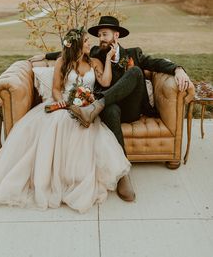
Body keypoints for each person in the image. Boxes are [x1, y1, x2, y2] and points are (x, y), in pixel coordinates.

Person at [0, 28, 131, 213]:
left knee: (83, 130)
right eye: (86, 41)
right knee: (59, 124)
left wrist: (108, 59)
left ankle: (75, 178)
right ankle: (53, 180)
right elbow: (55, 88)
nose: (89, 43)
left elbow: (106, 83)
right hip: (64, 106)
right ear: (77, 44)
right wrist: (61, 100)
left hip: (86, 110)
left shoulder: (94, 61)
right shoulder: (63, 62)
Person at [67, 16, 191, 200]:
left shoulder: (133, 53)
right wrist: (45, 56)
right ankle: (123, 174)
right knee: (110, 109)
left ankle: (95, 106)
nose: (101, 38)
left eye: (105, 34)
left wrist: (178, 69)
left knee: (135, 71)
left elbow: (156, 63)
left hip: (131, 108)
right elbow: (71, 53)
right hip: (110, 110)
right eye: (99, 35)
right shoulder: (95, 53)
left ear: (116, 36)